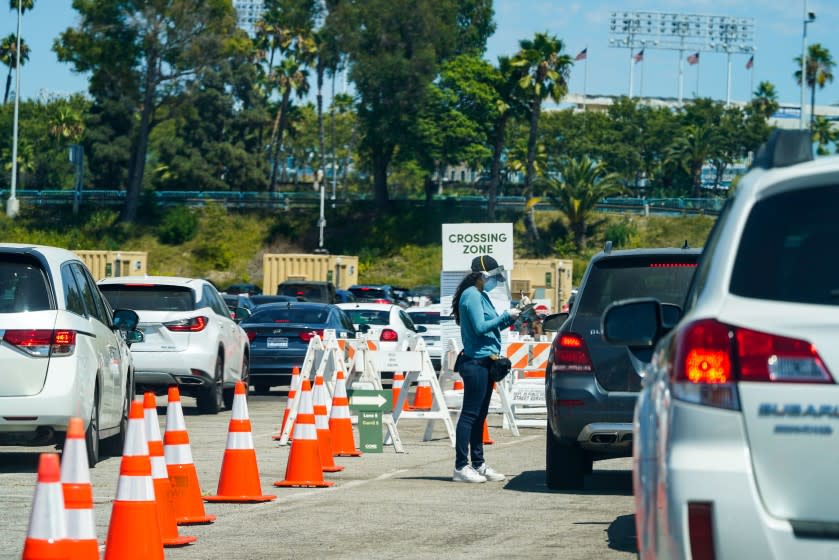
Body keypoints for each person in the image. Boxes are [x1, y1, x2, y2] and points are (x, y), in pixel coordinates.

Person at [450, 255, 527, 483]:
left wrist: (515, 314)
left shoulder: (481, 295)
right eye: (493, 276)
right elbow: (481, 327)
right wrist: (506, 315)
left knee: (480, 415)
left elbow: (495, 326)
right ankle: (461, 466)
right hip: (475, 362)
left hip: (486, 361)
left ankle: (478, 464)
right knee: (470, 414)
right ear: (482, 276)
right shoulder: (471, 295)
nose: (496, 281)